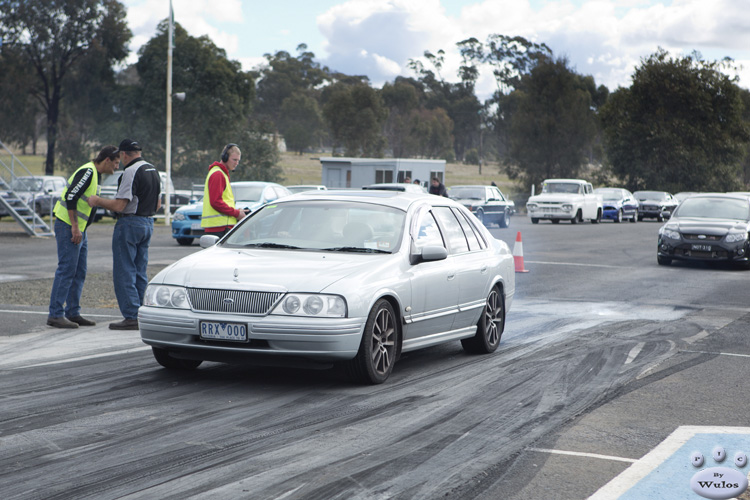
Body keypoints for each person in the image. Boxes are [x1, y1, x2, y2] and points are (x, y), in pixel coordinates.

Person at [88, 139, 161, 330]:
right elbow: (158, 205)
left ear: (124, 154)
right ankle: (142, 312)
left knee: (124, 271)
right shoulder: (153, 170)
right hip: (148, 222)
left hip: (130, 223)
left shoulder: (130, 171)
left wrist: (98, 200)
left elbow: (120, 205)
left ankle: (131, 315)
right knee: (140, 271)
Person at [47, 146, 121, 328]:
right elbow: (71, 196)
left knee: (79, 271)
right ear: (107, 160)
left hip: (79, 229)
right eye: (116, 163)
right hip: (69, 226)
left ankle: (73, 312)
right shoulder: (88, 172)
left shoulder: (96, 175)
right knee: (66, 269)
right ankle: (55, 314)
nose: (117, 167)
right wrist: (74, 227)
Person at [200, 143, 247, 237]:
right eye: (234, 159)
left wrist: (237, 211)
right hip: (219, 228)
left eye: (238, 160)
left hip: (220, 227)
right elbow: (216, 202)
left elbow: (221, 201)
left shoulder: (221, 174)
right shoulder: (218, 174)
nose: (236, 163)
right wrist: (237, 213)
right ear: (225, 157)